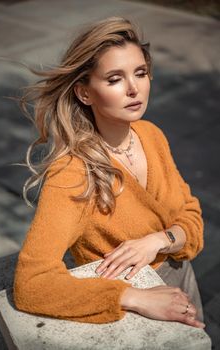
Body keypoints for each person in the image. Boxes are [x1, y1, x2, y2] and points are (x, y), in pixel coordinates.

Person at [13, 16, 205, 329]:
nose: (134, 89)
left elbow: (191, 214)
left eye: (140, 73)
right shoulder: (73, 172)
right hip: (136, 308)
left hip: (183, 275)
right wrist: (133, 298)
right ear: (84, 93)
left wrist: (159, 240)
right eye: (114, 79)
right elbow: (31, 284)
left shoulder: (151, 134)